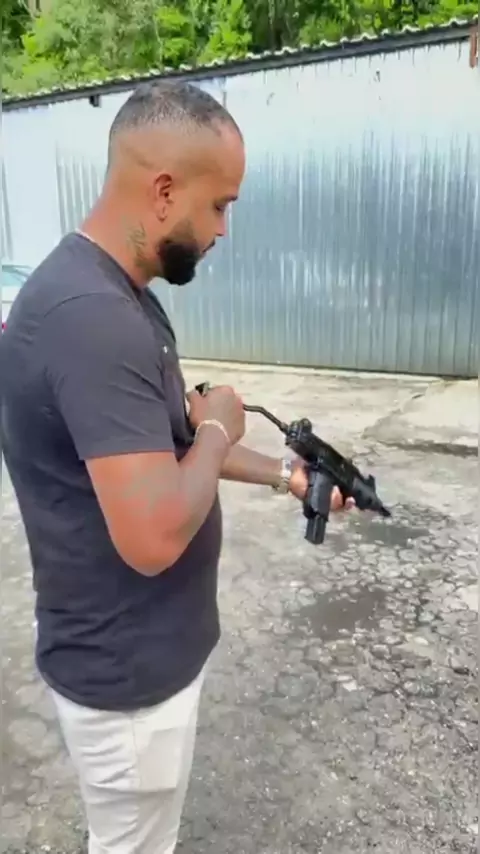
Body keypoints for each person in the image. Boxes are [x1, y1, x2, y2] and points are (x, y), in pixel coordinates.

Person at [0, 81, 353, 854]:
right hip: (126, 678)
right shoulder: (92, 321)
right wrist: (221, 425)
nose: (224, 229)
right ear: (163, 192)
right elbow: (154, 534)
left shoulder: (121, 295)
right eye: (219, 205)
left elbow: (167, 449)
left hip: (139, 659)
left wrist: (288, 475)